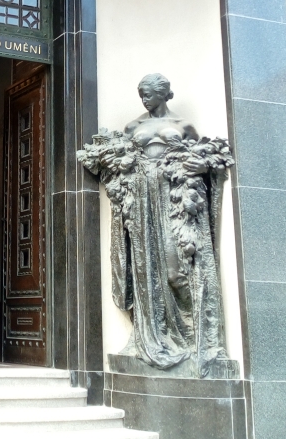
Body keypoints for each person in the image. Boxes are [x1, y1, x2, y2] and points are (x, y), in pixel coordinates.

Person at [78, 73, 234, 377]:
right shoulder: (132, 127)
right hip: (142, 199)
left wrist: (202, 166)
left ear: (163, 94)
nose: (144, 100)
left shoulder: (184, 126)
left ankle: (195, 337)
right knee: (145, 267)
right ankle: (149, 336)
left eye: (148, 94)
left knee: (177, 270)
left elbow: (202, 162)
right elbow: (121, 162)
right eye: (141, 94)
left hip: (172, 198)